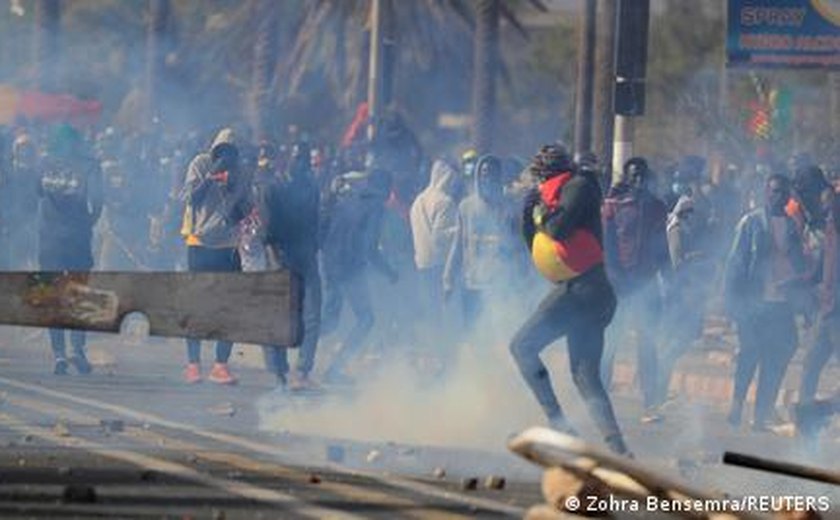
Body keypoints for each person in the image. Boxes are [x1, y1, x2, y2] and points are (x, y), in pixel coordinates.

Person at [509, 143, 630, 455]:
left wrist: (538, 210)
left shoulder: (579, 186)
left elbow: (558, 228)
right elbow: (536, 243)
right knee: (585, 374)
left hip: (584, 290)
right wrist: (528, 213)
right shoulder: (558, 194)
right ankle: (617, 448)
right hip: (585, 291)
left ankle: (560, 425)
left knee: (521, 346)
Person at [723, 174, 807, 430]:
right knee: (750, 353)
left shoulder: (792, 226)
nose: (776, 196)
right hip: (754, 300)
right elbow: (735, 264)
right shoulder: (751, 222)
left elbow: (798, 262)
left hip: (781, 302)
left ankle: (762, 412)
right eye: (773, 191)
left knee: (782, 350)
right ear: (765, 192)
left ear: (787, 196)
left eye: (782, 192)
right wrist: (732, 303)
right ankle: (737, 405)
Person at [600, 157, 670, 421]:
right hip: (620, 286)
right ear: (627, 178)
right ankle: (601, 400)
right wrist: (616, 279)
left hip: (647, 285)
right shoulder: (612, 207)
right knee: (611, 343)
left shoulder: (656, 207)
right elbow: (607, 247)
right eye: (634, 176)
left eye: (643, 176)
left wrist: (669, 277)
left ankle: (651, 404)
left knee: (648, 344)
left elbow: (661, 247)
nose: (639, 181)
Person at [179, 128, 251, 385]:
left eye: (231, 154)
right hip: (199, 245)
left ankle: (220, 365)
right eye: (222, 153)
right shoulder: (200, 164)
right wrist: (210, 178)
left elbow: (245, 209)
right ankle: (193, 365)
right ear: (214, 150)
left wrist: (232, 192)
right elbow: (188, 197)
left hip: (227, 247)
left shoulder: (241, 172)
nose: (226, 158)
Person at [320, 167, 397, 385]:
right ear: (385, 188)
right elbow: (370, 248)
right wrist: (389, 272)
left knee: (330, 321)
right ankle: (333, 369)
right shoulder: (375, 207)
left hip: (331, 262)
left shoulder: (351, 199)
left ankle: (293, 345)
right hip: (348, 267)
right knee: (366, 319)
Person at [256, 141, 323, 391]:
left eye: (304, 158)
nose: (301, 163)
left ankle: (301, 371)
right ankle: (278, 372)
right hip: (280, 257)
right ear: (287, 159)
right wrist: (274, 255)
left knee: (312, 315)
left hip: (305, 258)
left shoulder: (312, 188)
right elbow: (268, 228)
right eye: (297, 157)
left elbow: (317, 221)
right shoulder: (273, 187)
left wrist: (315, 247)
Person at [37, 124, 104, 375]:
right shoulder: (90, 165)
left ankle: (59, 355)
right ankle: (77, 350)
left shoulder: (43, 164)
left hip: (48, 240)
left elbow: (35, 194)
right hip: (78, 237)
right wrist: (88, 222)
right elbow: (98, 200)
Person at [443, 154, 518, 331]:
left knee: (499, 331)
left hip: (501, 284)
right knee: (472, 331)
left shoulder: (509, 207)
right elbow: (458, 245)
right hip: (473, 283)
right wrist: (448, 280)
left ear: (499, 177)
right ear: (477, 176)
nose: (488, 178)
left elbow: (518, 247)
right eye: (484, 173)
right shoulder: (466, 207)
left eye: (492, 174)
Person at [409, 159, 461, 348]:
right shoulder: (444, 202)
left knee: (433, 314)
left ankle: (434, 353)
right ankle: (447, 356)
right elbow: (441, 236)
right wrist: (461, 231)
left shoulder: (418, 200)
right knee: (447, 314)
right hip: (441, 266)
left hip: (422, 265)